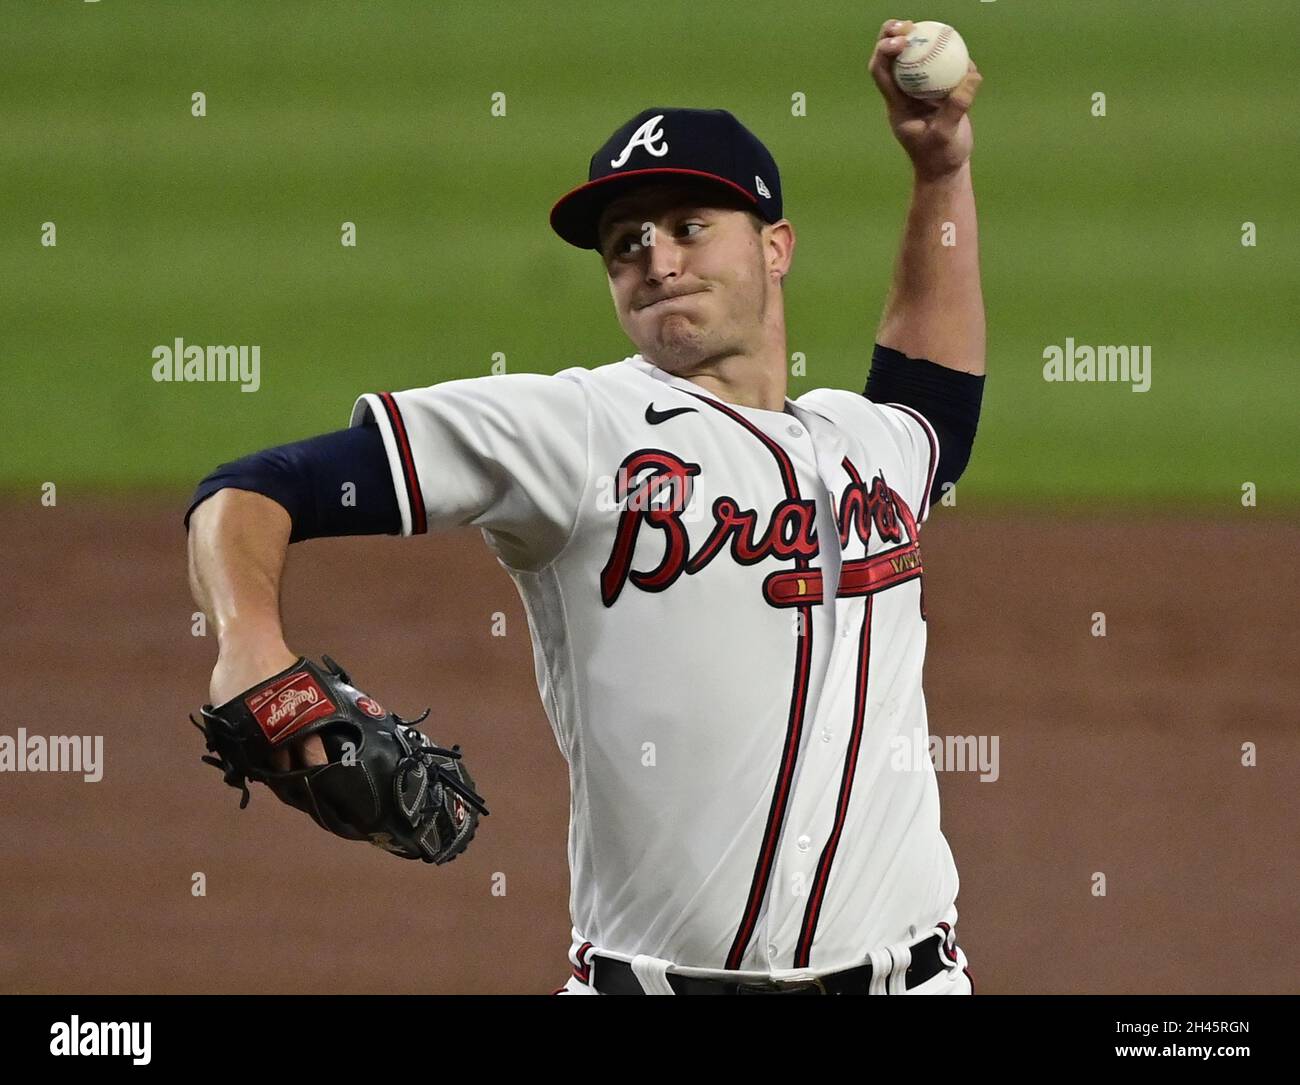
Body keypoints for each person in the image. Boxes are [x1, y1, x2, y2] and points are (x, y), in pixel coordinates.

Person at [185, 19, 986, 994]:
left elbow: (931, 399)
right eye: (625, 244)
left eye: (689, 226)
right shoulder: (573, 429)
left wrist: (940, 169)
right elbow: (257, 486)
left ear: (776, 247)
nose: (655, 257)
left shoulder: (869, 443)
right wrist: (250, 650)